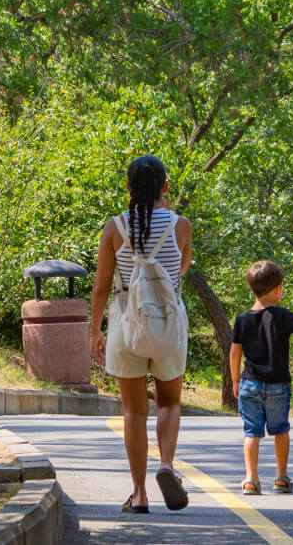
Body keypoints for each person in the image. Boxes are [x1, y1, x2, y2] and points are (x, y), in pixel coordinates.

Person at [90, 155, 192, 514]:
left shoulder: (114, 227)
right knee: (170, 402)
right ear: (165, 187)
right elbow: (179, 272)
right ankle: (166, 465)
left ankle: (139, 494)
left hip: (126, 322)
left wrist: (94, 331)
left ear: (129, 187)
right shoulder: (181, 226)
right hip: (167, 323)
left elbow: (101, 286)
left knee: (134, 410)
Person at [230, 260, 293, 495]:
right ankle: (281, 477)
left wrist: (235, 381)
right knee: (280, 430)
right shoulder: (282, 316)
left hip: (249, 383)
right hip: (278, 385)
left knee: (251, 432)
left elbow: (234, 352)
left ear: (252, 289)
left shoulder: (242, 319)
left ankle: (251, 479)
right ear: (277, 289)